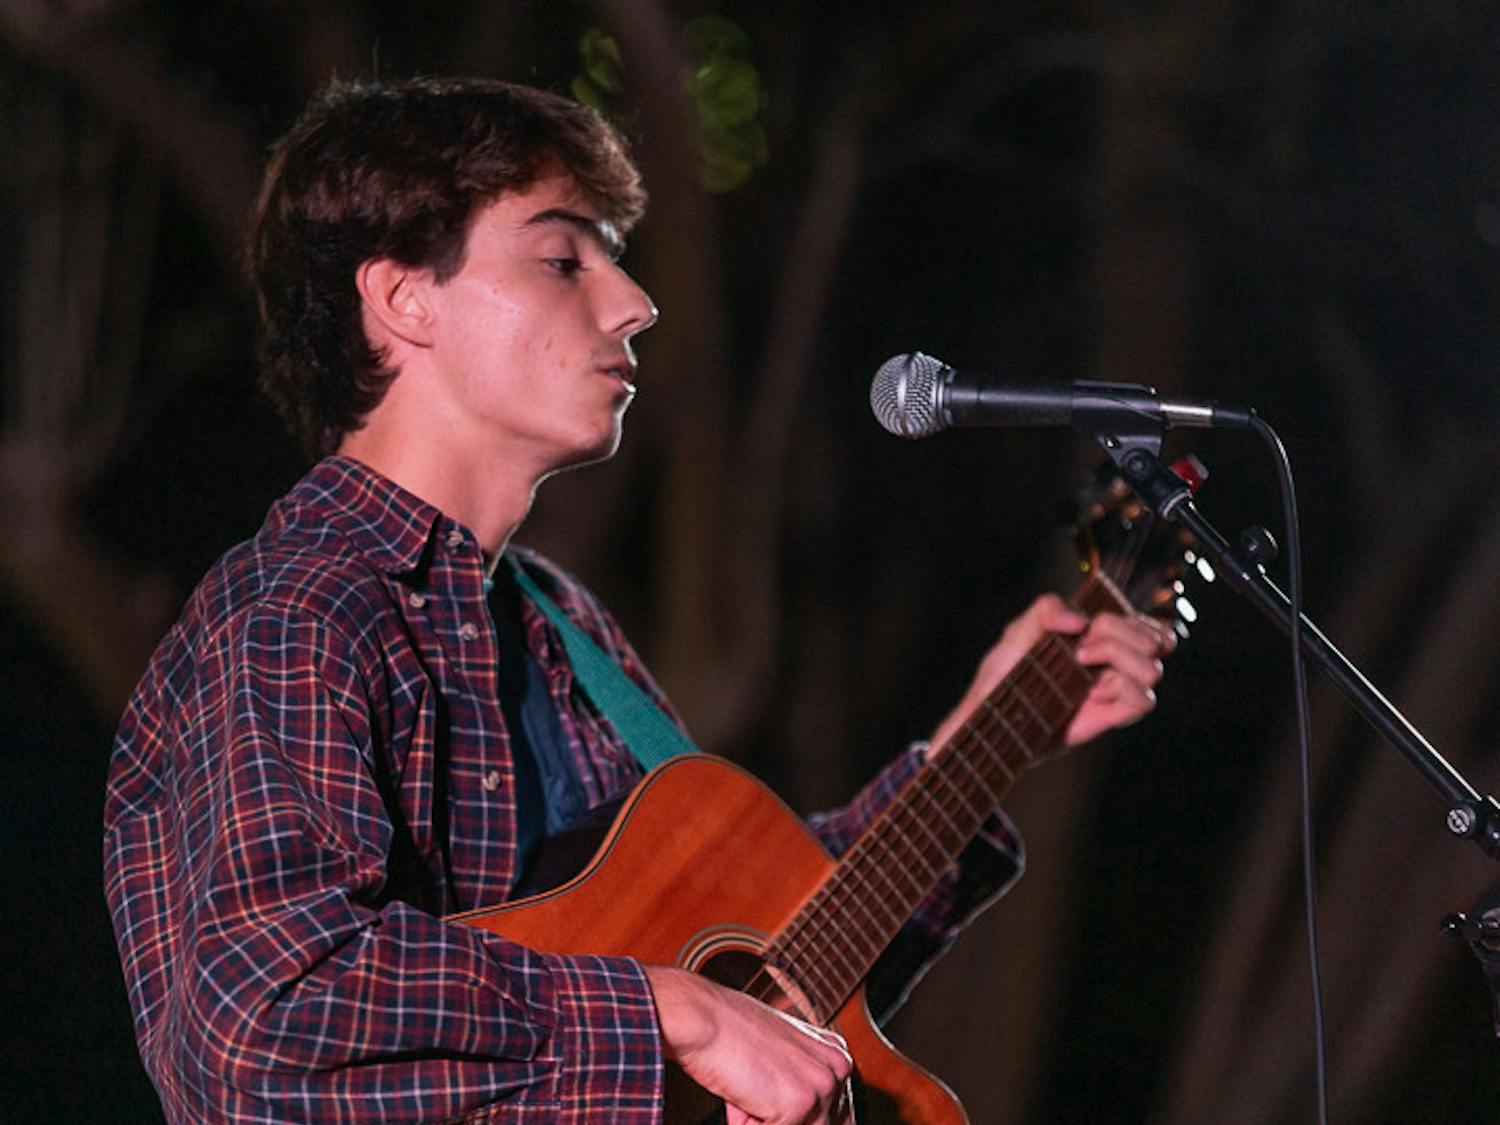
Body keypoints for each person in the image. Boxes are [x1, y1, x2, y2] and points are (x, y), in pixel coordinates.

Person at [103, 77, 1172, 1125]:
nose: (634, 301)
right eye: (564, 258)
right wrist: (678, 1017)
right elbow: (263, 1017)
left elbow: (771, 949)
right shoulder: (299, 611)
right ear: (402, 299)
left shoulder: (559, 626)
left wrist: (986, 735)